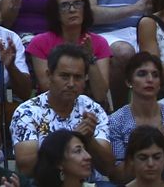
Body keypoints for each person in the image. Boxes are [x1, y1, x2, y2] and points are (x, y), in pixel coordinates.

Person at [10, 44, 114, 178]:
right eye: (64, 76)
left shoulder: (92, 109)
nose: (71, 83)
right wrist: (70, 140)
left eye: (77, 77)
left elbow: (108, 167)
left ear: (85, 79)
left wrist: (89, 140)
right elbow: (26, 168)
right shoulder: (27, 112)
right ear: (49, 75)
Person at [108, 55, 164, 185]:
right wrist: (148, 145)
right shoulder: (116, 121)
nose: (150, 80)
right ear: (128, 82)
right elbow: (119, 176)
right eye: (142, 74)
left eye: (155, 75)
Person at [27, 0, 113, 105]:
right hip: (51, 108)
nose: (72, 9)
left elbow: (100, 95)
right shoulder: (40, 43)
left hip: (90, 109)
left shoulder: (99, 43)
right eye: (65, 5)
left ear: (85, 8)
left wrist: (90, 59)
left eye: (77, 4)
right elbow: (46, 87)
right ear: (56, 12)